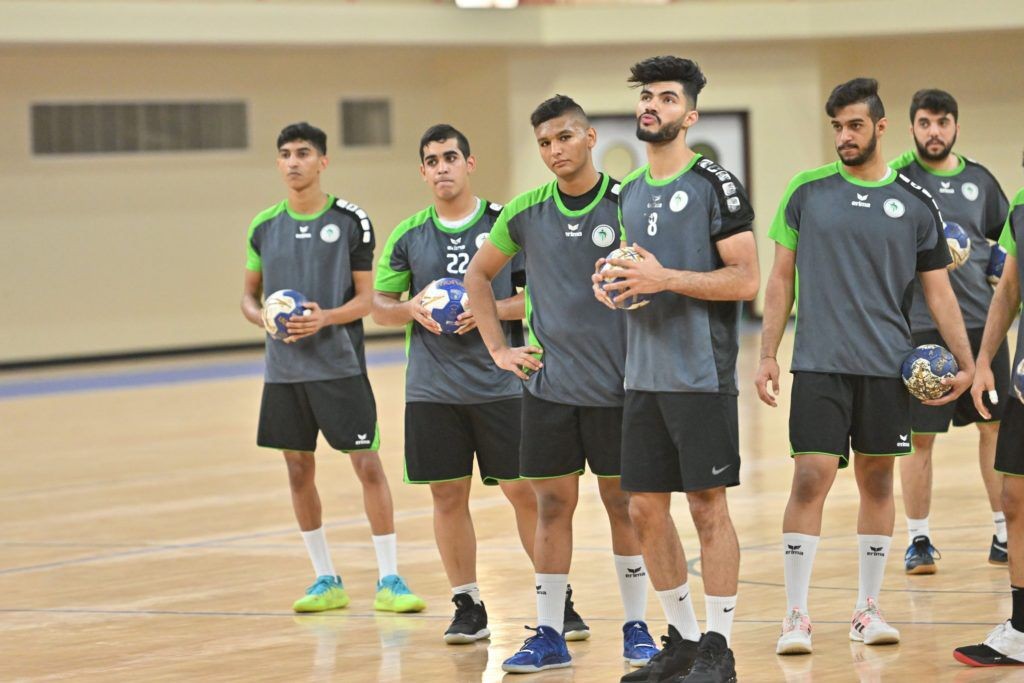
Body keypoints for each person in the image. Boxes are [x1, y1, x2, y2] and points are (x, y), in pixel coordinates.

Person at [755, 79, 974, 656]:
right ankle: (796, 615)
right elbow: (779, 279)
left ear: (880, 127)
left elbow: (940, 293)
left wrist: (968, 362)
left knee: (877, 482)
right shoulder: (806, 191)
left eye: (855, 126)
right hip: (819, 364)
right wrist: (767, 353)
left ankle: (867, 609)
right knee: (810, 478)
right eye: (837, 127)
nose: (845, 137)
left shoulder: (916, 204)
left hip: (885, 367)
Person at [465, 95, 656, 674]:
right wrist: (499, 350)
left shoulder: (628, 202)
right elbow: (478, 275)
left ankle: (637, 627)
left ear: (590, 138)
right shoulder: (525, 211)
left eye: (564, 137)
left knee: (624, 506)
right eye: (545, 143)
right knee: (552, 506)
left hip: (619, 390)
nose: (555, 150)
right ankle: (549, 632)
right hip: (548, 389)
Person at [593, 55, 758, 683]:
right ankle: (684, 641)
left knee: (707, 507)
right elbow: (634, 272)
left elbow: (745, 279)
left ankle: (720, 646)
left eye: (666, 97)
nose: (651, 105)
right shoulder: (629, 192)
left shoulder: (716, 184)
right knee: (643, 509)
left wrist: (664, 279)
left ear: (689, 115)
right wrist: (614, 284)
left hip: (700, 375)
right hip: (642, 376)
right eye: (646, 96)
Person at [240, 122, 424, 615]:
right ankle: (326, 578)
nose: (293, 161)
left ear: (322, 161)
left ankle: (390, 578)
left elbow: (367, 300)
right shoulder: (263, 226)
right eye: (285, 154)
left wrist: (325, 317)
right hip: (284, 371)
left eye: (303, 153)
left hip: (339, 367)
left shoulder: (350, 220)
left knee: (367, 464)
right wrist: (263, 317)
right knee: (298, 468)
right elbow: (248, 297)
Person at [371, 123, 538, 644]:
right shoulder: (409, 235)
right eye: (432, 161)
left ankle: (556, 599)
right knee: (446, 496)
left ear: (470, 163)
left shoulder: (505, 224)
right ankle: (468, 604)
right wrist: (410, 309)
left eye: (450, 157)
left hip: (501, 385)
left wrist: (485, 307)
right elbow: (379, 307)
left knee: (524, 492)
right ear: (423, 172)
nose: (442, 167)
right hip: (433, 391)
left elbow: (539, 297)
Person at [890, 88, 1011, 574]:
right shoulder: (898, 179)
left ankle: (1004, 534)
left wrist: (998, 267)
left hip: (984, 326)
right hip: (923, 329)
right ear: (912, 127)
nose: (934, 131)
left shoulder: (980, 180)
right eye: (924, 122)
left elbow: (1007, 238)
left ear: (956, 126)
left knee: (994, 429)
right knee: (921, 437)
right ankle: (918, 540)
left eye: (942, 122)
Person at [954, 179, 1024, 667]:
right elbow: (1010, 289)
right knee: (1015, 498)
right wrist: (983, 361)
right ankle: (1021, 628)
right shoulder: (1020, 204)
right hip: (1022, 381)